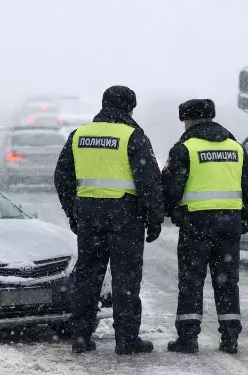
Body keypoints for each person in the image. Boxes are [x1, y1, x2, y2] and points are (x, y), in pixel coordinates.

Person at [54, 85, 164, 355]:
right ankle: (126, 340)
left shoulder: (79, 135)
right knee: (125, 277)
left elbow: (62, 176)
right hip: (125, 216)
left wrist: (73, 210)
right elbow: (148, 180)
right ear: (130, 108)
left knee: (88, 276)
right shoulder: (133, 136)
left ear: (103, 104)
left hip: (89, 214)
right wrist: (154, 217)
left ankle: (80, 336)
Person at [161, 99, 248, 354]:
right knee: (227, 281)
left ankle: (188, 338)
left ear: (189, 120)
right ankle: (230, 338)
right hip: (229, 224)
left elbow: (171, 188)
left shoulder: (185, 149)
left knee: (192, 280)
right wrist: (246, 216)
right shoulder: (235, 147)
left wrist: (172, 212)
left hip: (197, 224)